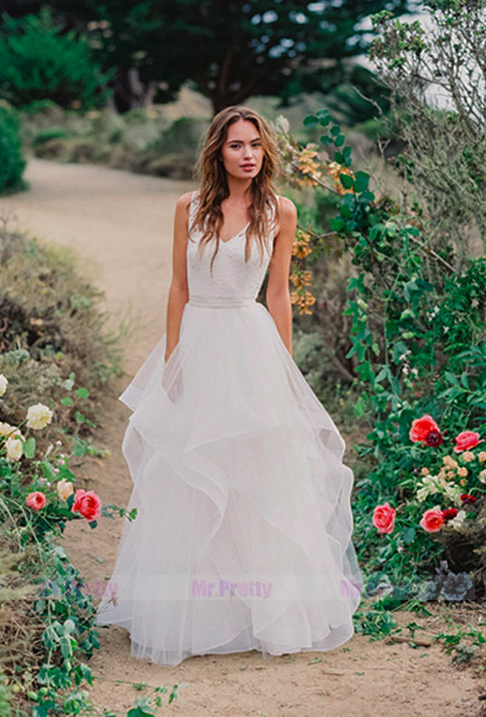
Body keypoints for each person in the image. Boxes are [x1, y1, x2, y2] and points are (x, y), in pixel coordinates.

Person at [94, 105, 364, 667]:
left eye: (256, 146)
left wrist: (285, 372)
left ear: (266, 153)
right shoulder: (187, 208)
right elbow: (177, 287)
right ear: (218, 150)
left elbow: (280, 295)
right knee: (190, 469)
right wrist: (173, 364)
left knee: (257, 470)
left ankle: (259, 609)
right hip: (198, 340)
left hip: (251, 342)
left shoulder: (279, 211)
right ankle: (194, 612)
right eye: (237, 144)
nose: (248, 154)